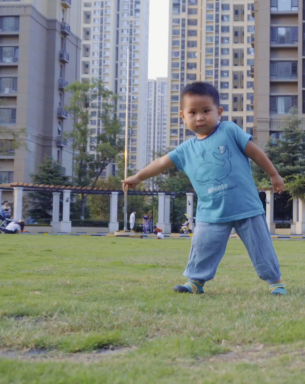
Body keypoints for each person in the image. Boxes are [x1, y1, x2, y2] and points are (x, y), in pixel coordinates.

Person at [122, 82, 287, 295]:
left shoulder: (229, 130)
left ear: (218, 112)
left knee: (261, 248)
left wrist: (274, 174)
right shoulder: (185, 149)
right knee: (202, 247)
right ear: (183, 116)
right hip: (210, 213)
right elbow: (161, 163)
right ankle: (195, 282)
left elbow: (255, 153)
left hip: (246, 207)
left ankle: (275, 282)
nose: (200, 117)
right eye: (193, 112)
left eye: (206, 111)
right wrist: (138, 176)